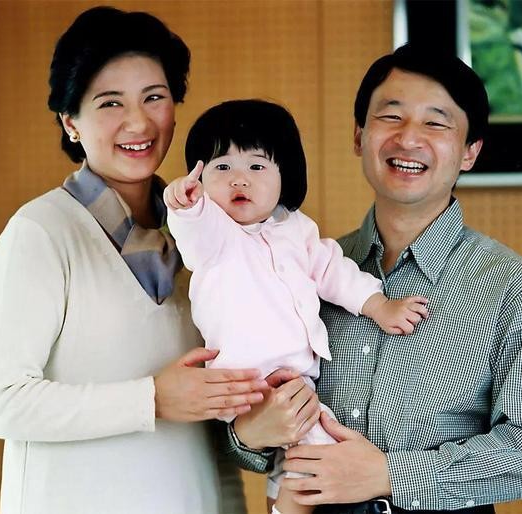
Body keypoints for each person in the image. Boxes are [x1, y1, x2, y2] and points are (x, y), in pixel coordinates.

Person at [224, 44, 522, 514]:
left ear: (470, 152)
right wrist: (247, 436)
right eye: (391, 116)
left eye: (436, 123)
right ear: (359, 136)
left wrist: (391, 474)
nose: (409, 139)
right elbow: (246, 414)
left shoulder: (514, 287)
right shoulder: (303, 268)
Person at [0, 7, 269, 514]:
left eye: (154, 97)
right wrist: (151, 399)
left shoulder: (208, 234)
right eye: (110, 102)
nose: (139, 121)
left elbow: (212, 418)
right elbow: (0, 401)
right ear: (70, 122)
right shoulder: (41, 233)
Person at [163, 99, 429, 514]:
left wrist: (379, 306)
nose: (239, 179)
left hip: (293, 376)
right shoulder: (214, 236)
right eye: (221, 167)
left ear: (284, 175)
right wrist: (185, 205)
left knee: (291, 456)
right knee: (316, 449)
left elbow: (334, 272)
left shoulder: (297, 229)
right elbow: (192, 230)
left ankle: (278, 500)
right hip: (244, 378)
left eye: (257, 166)